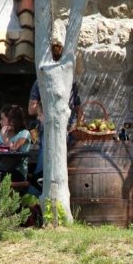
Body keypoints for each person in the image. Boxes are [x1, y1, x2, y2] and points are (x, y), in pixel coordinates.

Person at [28, 41, 83, 176]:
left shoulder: (71, 83)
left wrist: (78, 125)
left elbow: (78, 107)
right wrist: (42, 110)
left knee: (66, 168)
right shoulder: (42, 81)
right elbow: (31, 109)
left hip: (69, 132)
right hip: (49, 128)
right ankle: (37, 187)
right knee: (45, 163)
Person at [0, 104, 31, 182]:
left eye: (2, 119)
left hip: (17, 173)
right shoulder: (1, 134)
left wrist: (4, 136)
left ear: (12, 122)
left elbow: (14, 148)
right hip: (1, 170)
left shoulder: (24, 133)